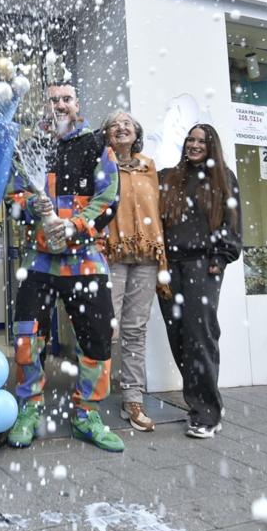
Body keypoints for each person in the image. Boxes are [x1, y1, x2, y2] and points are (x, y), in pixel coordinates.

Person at [7, 82, 122, 452]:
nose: (60, 105)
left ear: (77, 104)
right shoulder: (30, 145)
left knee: (97, 339)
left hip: (85, 261)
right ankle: (30, 407)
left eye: (66, 99)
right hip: (38, 262)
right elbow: (14, 195)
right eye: (53, 99)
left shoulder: (96, 146)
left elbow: (108, 199)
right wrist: (31, 210)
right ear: (46, 105)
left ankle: (87, 413)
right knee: (27, 338)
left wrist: (73, 225)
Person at [158, 123, 242, 439]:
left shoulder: (223, 178)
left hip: (202, 266)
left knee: (200, 335)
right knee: (178, 336)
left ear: (211, 146)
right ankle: (203, 400)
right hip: (169, 268)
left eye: (201, 141)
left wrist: (218, 260)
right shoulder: (168, 178)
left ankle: (207, 412)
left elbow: (233, 226)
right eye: (190, 139)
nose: (194, 145)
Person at [101, 110, 168, 433]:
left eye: (127, 123)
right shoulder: (102, 165)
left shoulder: (148, 166)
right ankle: (89, 398)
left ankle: (133, 399)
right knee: (104, 328)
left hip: (145, 255)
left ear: (136, 131)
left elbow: (155, 209)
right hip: (111, 255)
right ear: (107, 135)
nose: (122, 126)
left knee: (135, 330)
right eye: (115, 124)